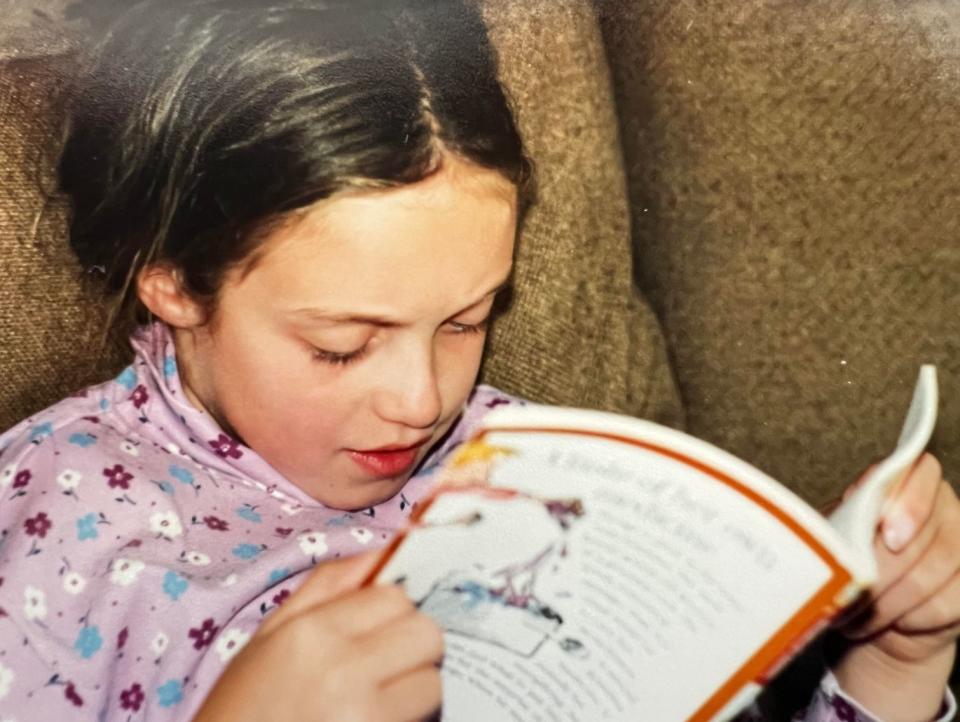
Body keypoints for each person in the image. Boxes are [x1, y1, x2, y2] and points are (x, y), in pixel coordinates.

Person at [0, 1, 958, 720]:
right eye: (342, 347)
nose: (423, 401)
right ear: (172, 281)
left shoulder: (532, 463)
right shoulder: (59, 516)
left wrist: (894, 663)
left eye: (467, 321)